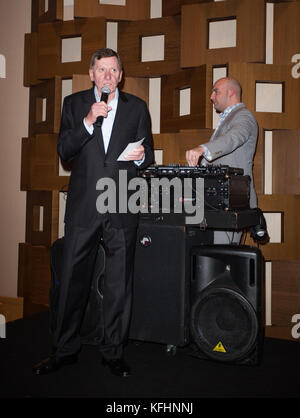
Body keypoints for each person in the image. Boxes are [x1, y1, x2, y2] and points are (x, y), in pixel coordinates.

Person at [33, 48, 154, 377]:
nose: (108, 76)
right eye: (102, 70)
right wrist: (88, 122)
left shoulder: (137, 108)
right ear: (91, 74)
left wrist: (142, 157)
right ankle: (64, 349)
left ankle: (113, 351)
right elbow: (64, 152)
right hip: (85, 202)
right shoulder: (74, 105)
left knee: (119, 281)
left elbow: (148, 159)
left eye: (114, 70)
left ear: (121, 75)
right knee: (72, 277)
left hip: (122, 202)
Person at [186, 77, 258, 244]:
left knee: (221, 262)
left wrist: (203, 149)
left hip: (233, 202)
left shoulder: (244, 117)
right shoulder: (228, 119)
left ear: (231, 92)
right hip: (219, 203)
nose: (211, 96)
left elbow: (234, 137)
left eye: (216, 91)